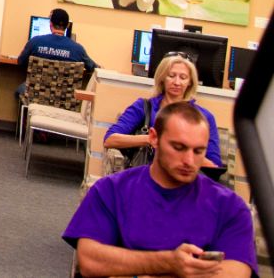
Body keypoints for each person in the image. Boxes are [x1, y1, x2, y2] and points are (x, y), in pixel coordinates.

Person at [64, 101, 256, 277]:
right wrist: (169, 263)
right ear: (154, 138)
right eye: (178, 147)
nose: (189, 161)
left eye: (198, 151)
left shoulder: (230, 206)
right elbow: (90, 260)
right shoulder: (111, 190)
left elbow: (236, 272)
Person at [105, 54, 222, 168]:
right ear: (162, 78)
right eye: (171, 76)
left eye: (183, 77)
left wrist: (185, 150)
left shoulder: (205, 117)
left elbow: (214, 167)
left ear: (190, 82)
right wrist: (150, 139)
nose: (177, 82)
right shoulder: (144, 106)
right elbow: (110, 140)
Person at [17, 7, 98, 70]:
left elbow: (20, 62)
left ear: (51, 24)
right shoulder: (78, 49)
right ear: (67, 26)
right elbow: (93, 68)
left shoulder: (34, 42)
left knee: (18, 91)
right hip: (65, 91)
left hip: (35, 91)